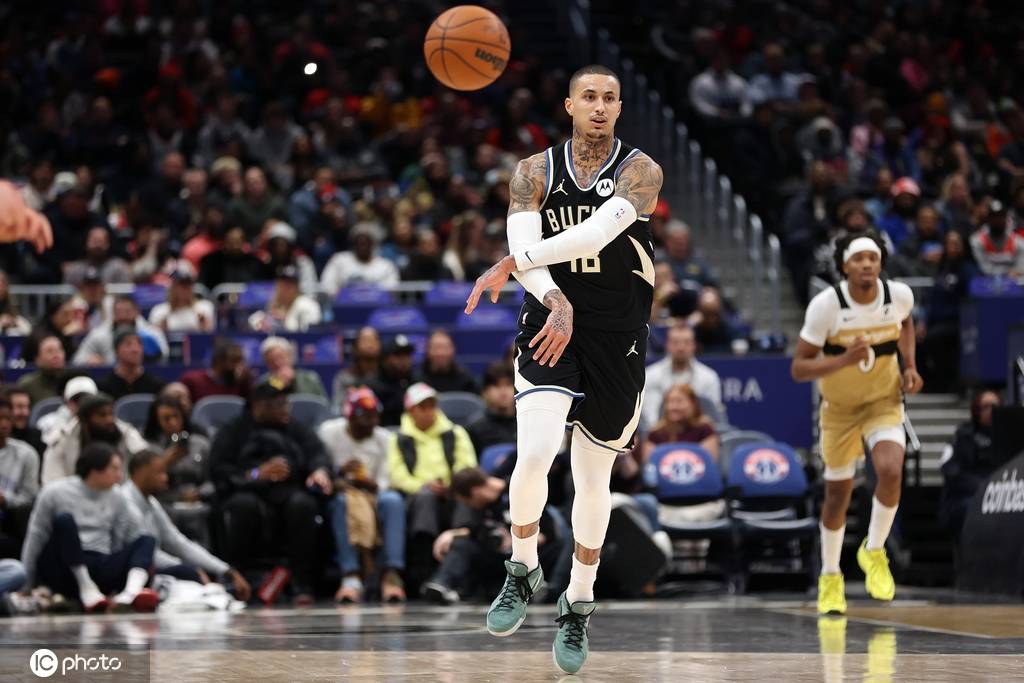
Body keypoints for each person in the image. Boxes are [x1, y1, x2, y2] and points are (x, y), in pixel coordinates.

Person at [464, 65, 663, 673]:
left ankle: (578, 600)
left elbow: (597, 234)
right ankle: (522, 567)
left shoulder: (641, 171)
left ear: (619, 108)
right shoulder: (532, 171)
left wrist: (513, 259)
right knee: (534, 454)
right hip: (551, 320)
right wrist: (552, 297)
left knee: (592, 478)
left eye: (609, 98)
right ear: (569, 105)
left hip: (618, 335)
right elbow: (532, 257)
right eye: (588, 97)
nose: (599, 106)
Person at [791, 230, 923, 617]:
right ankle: (830, 576)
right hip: (840, 409)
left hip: (883, 401)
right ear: (844, 266)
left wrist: (910, 366)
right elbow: (799, 368)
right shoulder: (826, 306)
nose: (867, 265)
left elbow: (906, 324)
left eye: (873, 259)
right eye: (859, 259)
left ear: (880, 264)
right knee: (838, 495)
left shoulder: (898, 296)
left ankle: (874, 550)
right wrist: (843, 360)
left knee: (891, 470)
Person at [208, 381, 333, 604]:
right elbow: (219, 470)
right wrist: (257, 473)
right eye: (280, 404)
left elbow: (317, 453)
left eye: (287, 403)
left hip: (289, 490)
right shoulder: (234, 430)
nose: (286, 409)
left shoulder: (294, 427)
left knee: (303, 505)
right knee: (243, 506)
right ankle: (243, 580)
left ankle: (302, 583)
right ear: (259, 407)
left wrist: (319, 471)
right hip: (246, 491)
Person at [20, 443, 159, 613]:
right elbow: (36, 538)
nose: (119, 475)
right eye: (114, 469)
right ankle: (86, 587)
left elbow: (119, 539)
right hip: (64, 566)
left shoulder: (118, 496)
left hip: (100, 562)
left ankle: (130, 594)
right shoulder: (54, 492)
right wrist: (26, 584)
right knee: (65, 520)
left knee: (147, 539)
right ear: (95, 470)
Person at [422, 467, 570, 606]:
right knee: (462, 544)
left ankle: (549, 591)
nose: (470, 506)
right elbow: (475, 530)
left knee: (570, 539)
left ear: (475, 492)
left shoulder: (520, 491)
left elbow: (547, 535)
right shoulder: (484, 506)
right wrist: (451, 533)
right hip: (503, 560)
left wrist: (517, 540)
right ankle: (442, 584)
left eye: (467, 502)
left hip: (532, 556)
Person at [118, 449, 250, 600]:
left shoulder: (151, 502)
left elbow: (177, 542)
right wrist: (187, 568)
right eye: (159, 472)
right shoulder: (125, 500)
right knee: (192, 577)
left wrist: (226, 569)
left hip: (151, 569)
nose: (165, 478)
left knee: (210, 583)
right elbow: (145, 554)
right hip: (124, 571)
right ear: (141, 472)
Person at [319, 387, 406, 603]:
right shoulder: (329, 432)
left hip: (375, 494)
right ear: (350, 416)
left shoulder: (384, 437)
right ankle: (351, 575)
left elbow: (386, 479)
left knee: (393, 501)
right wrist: (340, 472)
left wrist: (367, 483)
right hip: (341, 492)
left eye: (375, 416)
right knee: (342, 502)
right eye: (365, 417)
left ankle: (391, 575)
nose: (371, 422)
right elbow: (321, 467)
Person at [41, 393, 149, 486]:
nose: (109, 420)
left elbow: (146, 459)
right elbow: (52, 482)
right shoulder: (63, 438)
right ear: (85, 420)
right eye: (102, 415)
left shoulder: (126, 433)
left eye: (111, 414)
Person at [938, 391, 1001, 538]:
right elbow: (949, 469)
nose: (990, 411)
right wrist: (983, 486)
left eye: (994, 407)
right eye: (985, 407)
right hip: (967, 496)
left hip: (1000, 495)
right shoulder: (962, 435)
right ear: (976, 410)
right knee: (973, 507)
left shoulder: (1007, 435)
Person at [642, 323, 724, 430]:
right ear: (667, 345)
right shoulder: (650, 375)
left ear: (694, 345)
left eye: (686, 342)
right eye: (676, 342)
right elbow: (650, 418)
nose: (681, 347)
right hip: (660, 435)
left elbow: (712, 418)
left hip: (698, 435)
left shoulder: (709, 377)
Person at [142, 394, 212, 506]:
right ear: (157, 421)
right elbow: (144, 484)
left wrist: (200, 493)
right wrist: (165, 462)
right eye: (166, 419)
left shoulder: (201, 443)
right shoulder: (149, 448)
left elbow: (212, 479)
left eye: (176, 416)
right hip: (164, 503)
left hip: (199, 500)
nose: (173, 422)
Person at [72, 296, 169, 366]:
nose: (123, 316)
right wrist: (89, 360)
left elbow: (164, 358)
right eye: (119, 312)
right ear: (113, 313)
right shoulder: (98, 334)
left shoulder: (152, 334)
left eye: (127, 312)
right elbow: (77, 360)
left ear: (137, 312)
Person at [0, 396, 40, 556]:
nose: (4, 424)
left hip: (12, 519)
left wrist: (5, 499)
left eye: (7, 419)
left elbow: (30, 497)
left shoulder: (26, 453)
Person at [319, 222, 400, 296]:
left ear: (373, 244)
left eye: (365, 243)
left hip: (377, 305)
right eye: (359, 243)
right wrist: (339, 294)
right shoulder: (339, 260)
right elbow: (327, 283)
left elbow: (391, 288)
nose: (362, 247)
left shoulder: (386, 265)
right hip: (343, 305)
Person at [96, 328, 167, 400]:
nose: (135, 349)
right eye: (128, 344)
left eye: (139, 344)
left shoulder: (156, 386)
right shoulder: (104, 387)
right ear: (116, 351)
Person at [247, 265, 321, 332]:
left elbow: (308, 333)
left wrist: (284, 321)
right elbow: (255, 322)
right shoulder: (274, 303)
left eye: (290, 283)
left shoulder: (308, 305)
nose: (285, 287)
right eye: (283, 282)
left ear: (297, 286)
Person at [466, 362, 517, 454]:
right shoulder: (474, 429)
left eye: (508, 385)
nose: (503, 392)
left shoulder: (527, 424)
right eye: (496, 386)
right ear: (485, 392)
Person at [180, 339, 254, 403]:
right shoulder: (193, 381)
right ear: (219, 361)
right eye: (234, 361)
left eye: (241, 361)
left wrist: (248, 383)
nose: (240, 366)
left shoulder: (242, 384)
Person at [148, 266, 215, 332]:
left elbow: (212, 335)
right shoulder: (159, 311)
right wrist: (161, 330)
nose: (185, 288)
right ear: (172, 287)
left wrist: (205, 327)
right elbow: (153, 336)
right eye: (181, 284)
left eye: (188, 283)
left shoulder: (205, 308)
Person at [369, 335, 417, 427]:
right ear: (385, 359)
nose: (404, 360)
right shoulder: (372, 387)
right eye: (398, 355)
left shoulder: (416, 384)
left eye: (407, 355)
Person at [37, 376, 98, 447]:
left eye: (87, 399)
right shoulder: (47, 423)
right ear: (66, 401)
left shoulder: (106, 423)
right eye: (76, 399)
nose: (82, 403)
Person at [257, 336, 327, 398]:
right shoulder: (264, 382)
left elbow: (323, 405)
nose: (277, 363)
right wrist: (278, 383)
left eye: (280, 358)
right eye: (271, 361)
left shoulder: (310, 379)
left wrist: (293, 380)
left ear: (290, 356)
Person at [969, 199, 1024, 277]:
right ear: (988, 219)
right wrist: (1007, 272)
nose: (998, 220)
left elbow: (1020, 268)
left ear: (1006, 219)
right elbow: (984, 268)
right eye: (994, 217)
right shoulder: (977, 241)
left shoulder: (1019, 242)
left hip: (1013, 282)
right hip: (986, 281)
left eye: (1000, 217)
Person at [332, 327, 381, 412]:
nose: (370, 345)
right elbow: (338, 408)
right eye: (365, 341)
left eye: (373, 340)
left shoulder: (387, 376)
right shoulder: (344, 377)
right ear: (355, 347)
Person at [415, 330, 479, 394]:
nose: (440, 353)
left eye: (445, 348)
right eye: (436, 348)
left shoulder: (466, 380)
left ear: (453, 350)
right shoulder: (417, 381)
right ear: (428, 351)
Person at [16, 335, 70, 405]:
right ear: (38, 359)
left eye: (59, 350)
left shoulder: (73, 381)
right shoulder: (27, 385)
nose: (56, 355)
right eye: (50, 351)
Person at [4, 388, 46, 459]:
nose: (26, 413)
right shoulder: (2, 439)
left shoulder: (37, 436)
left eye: (27, 407)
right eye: (19, 407)